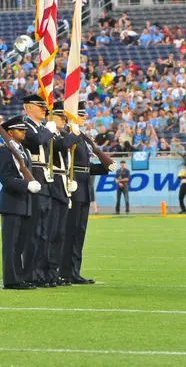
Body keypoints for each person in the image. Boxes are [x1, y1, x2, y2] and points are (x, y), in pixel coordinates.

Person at [60, 101, 115, 285]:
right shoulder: (69, 135)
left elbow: (86, 167)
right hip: (73, 187)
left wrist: (105, 167)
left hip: (84, 188)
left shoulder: (83, 138)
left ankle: (75, 271)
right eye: (81, 115)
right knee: (70, 232)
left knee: (79, 233)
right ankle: (65, 271)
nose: (85, 118)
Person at [0, 116, 41, 290]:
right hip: (12, 202)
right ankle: (11, 280)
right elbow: (6, 179)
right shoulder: (4, 151)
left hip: (25, 202)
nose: (24, 132)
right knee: (11, 244)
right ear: (10, 132)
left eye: (24, 129)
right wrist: (26, 184)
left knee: (21, 244)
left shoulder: (24, 151)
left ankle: (20, 277)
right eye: (20, 130)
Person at [20, 93, 58, 286]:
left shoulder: (42, 128)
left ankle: (41, 272)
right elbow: (35, 141)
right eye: (39, 106)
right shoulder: (25, 126)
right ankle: (30, 273)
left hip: (46, 180)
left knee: (45, 231)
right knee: (34, 231)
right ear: (28, 108)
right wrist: (49, 130)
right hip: (35, 177)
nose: (44, 109)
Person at [46, 101, 80, 286]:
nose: (64, 120)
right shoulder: (50, 133)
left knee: (59, 232)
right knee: (51, 231)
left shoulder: (60, 134)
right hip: (53, 185)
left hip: (62, 182)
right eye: (61, 116)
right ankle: (47, 270)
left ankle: (54, 270)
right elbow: (59, 146)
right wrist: (74, 135)